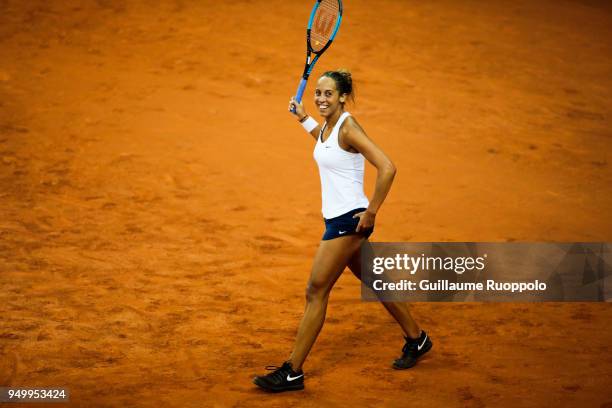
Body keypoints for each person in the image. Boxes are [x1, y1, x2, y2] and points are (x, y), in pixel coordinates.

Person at [253, 70, 432, 393]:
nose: (321, 99)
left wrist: (372, 211)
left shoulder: (348, 126)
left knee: (315, 290)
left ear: (343, 97)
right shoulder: (329, 127)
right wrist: (305, 119)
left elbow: (387, 167)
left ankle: (293, 371)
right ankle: (417, 339)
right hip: (339, 219)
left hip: (349, 221)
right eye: (318, 93)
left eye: (328, 94)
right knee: (377, 281)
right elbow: (328, 149)